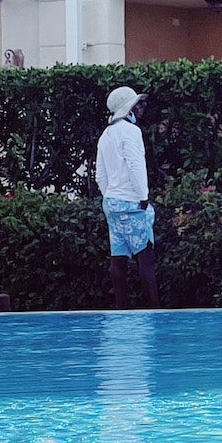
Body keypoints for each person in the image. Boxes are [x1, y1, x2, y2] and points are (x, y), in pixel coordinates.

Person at [95, 85, 159, 310]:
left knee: (118, 258)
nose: (142, 107)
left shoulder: (106, 135)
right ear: (128, 108)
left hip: (111, 203)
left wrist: (110, 195)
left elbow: (100, 175)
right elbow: (135, 166)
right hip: (132, 202)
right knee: (145, 257)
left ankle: (121, 309)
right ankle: (154, 310)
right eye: (137, 104)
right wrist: (143, 196)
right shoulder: (131, 131)